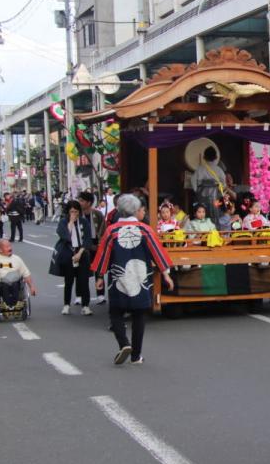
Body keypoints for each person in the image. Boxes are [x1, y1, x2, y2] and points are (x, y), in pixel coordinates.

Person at [90, 194, 174, 366]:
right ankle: (136, 356)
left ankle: (124, 343)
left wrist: (99, 277)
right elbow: (157, 253)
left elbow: (103, 254)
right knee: (139, 315)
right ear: (135, 211)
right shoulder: (145, 230)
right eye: (142, 209)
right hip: (140, 277)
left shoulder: (111, 230)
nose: (143, 212)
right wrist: (166, 273)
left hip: (118, 278)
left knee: (116, 312)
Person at [54, 201, 94, 316]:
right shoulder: (63, 222)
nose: (74, 214)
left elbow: (87, 239)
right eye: (71, 211)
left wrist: (80, 253)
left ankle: (85, 306)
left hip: (82, 253)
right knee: (69, 280)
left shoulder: (84, 222)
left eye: (76, 212)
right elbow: (65, 235)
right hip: (68, 253)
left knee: (84, 280)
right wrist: (71, 222)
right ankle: (66, 305)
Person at [192, 146, 230, 223]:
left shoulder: (199, 169)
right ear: (216, 157)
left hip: (202, 197)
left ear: (204, 157)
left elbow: (193, 182)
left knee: (202, 215)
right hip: (215, 197)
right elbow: (224, 185)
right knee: (216, 216)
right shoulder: (219, 170)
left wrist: (198, 191)